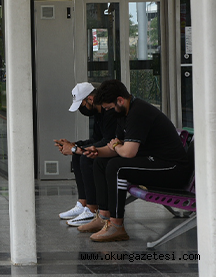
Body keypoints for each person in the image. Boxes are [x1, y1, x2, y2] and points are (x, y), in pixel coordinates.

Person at [80, 79, 191, 242]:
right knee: (100, 162)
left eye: (109, 107)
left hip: (172, 169)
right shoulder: (122, 113)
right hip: (154, 162)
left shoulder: (138, 112)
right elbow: (115, 147)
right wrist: (97, 151)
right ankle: (103, 218)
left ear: (120, 100)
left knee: (116, 167)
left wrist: (117, 146)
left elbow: (128, 152)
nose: (107, 111)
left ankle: (116, 226)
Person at [54, 82, 117, 228]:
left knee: (85, 158)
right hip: (108, 149)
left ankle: (92, 209)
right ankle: (83, 204)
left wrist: (76, 149)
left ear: (90, 99)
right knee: (78, 155)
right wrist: (74, 144)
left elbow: (108, 142)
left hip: (115, 153)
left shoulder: (109, 113)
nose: (82, 109)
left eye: (81, 105)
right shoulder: (98, 114)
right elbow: (96, 139)